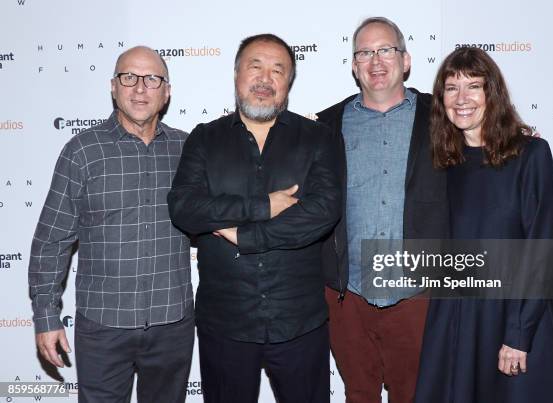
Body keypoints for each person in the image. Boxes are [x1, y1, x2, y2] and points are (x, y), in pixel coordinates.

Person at [167, 33, 341, 403]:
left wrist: (243, 235)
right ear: (236, 75)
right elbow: (184, 207)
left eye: (278, 70)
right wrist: (262, 206)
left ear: (288, 83)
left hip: (300, 323)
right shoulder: (204, 139)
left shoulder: (317, 138)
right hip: (225, 324)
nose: (265, 78)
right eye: (255, 66)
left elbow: (323, 211)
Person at [414, 47, 553, 403]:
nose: (462, 99)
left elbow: (542, 250)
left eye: (473, 86)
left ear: (492, 93)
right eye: (451, 87)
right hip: (460, 314)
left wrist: (519, 334)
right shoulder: (446, 162)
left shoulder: (531, 155)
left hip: (518, 313)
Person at [28, 46, 194, 403]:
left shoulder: (189, 150)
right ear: (113, 87)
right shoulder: (82, 152)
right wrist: (46, 317)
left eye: (152, 79)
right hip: (104, 327)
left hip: (172, 324)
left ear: (167, 92)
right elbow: (52, 241)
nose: (139, 89)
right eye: (128, 77)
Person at [316, 17, 449, 403]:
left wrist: (517, 139)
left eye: (385, 50)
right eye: (364, 52)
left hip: (416, 293)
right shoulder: (325, 125)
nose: (375, 60)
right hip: (348, 295)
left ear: (405, 61)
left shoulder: (442, 116)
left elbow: (484, 148)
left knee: (416, 395)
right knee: (359, 394)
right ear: (354, 65)